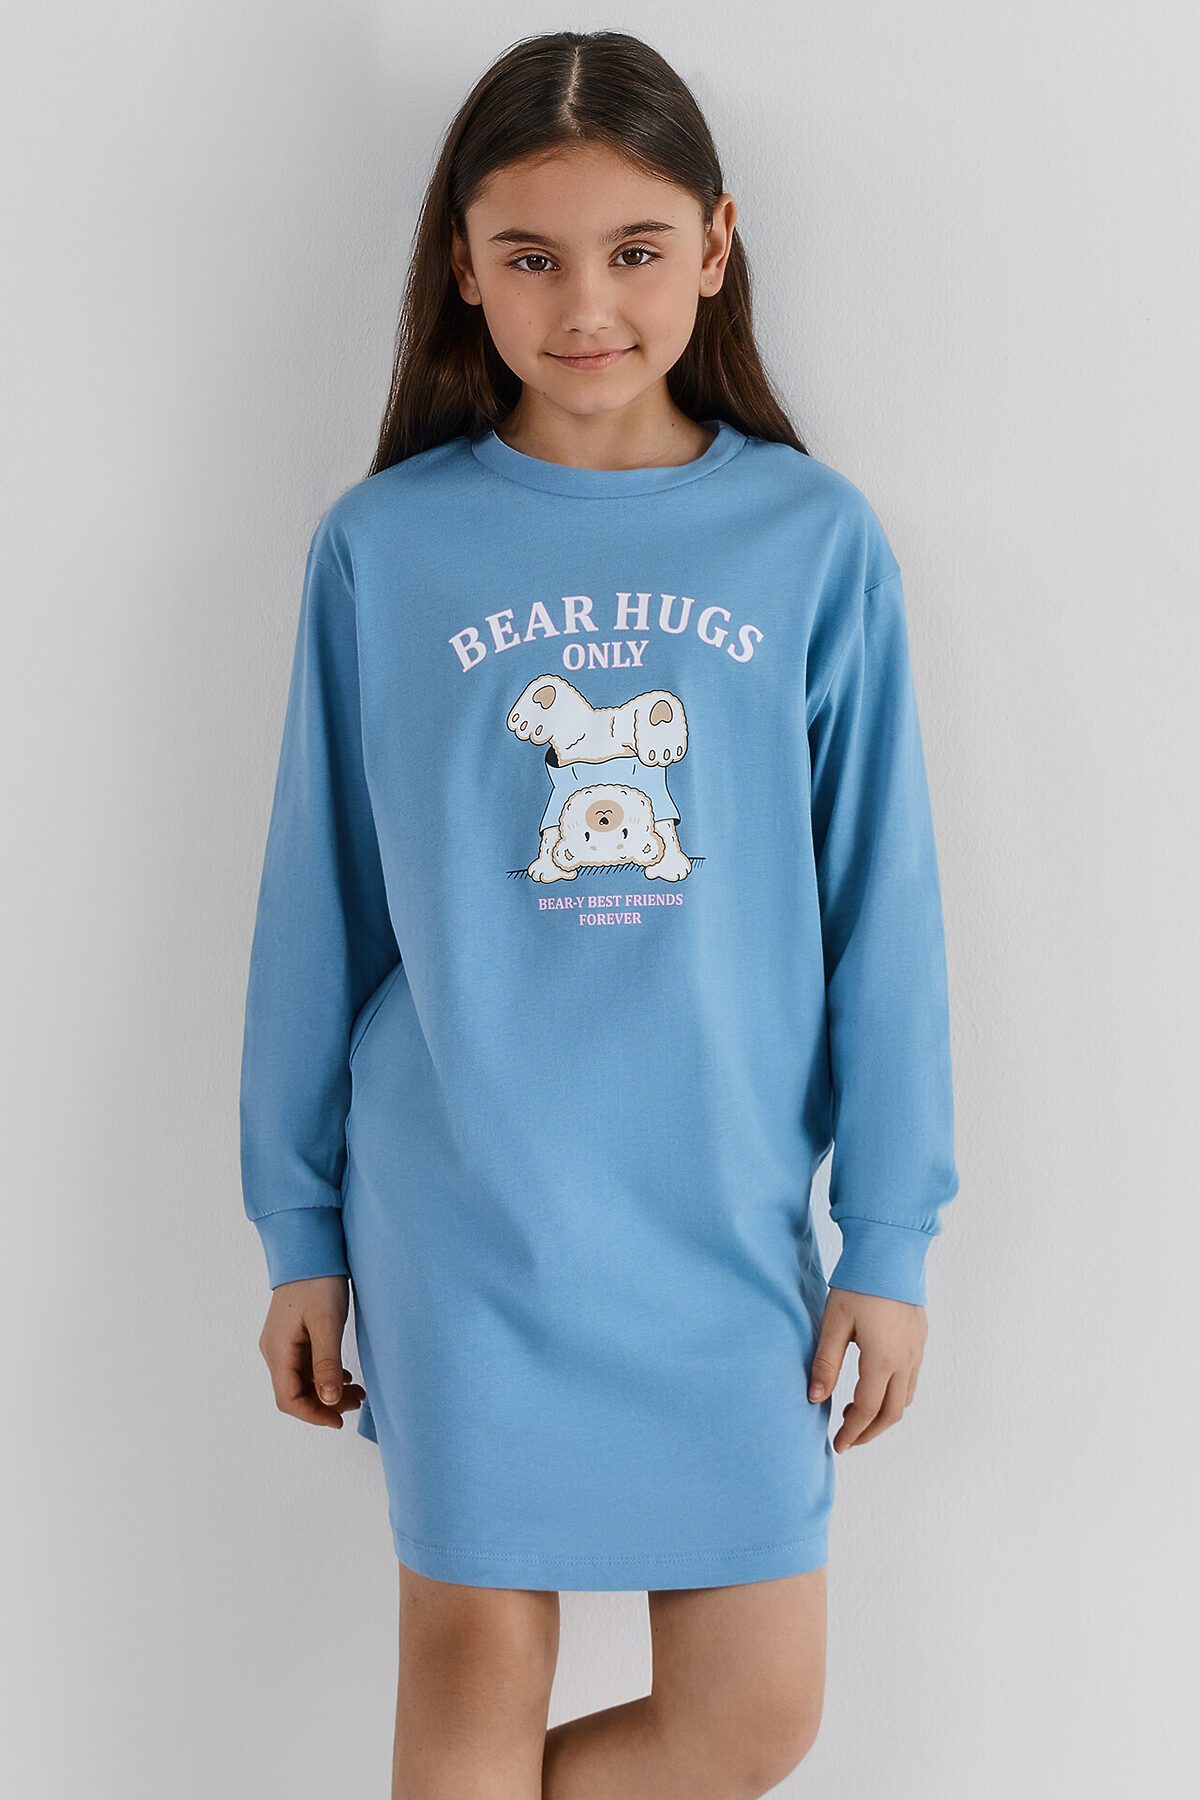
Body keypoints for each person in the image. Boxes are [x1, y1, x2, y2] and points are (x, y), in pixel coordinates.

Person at [238, 28, 960, 1800]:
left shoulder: (808, 538)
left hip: (724, 1228)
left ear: (713, 247)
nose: (586, 305)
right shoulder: (386, 546)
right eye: (531, 256)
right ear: (463, 266)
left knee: (753, 1716)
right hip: (466, 1217)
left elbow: (884, 905)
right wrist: (299, 1227)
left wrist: (888, 1236)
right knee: (474, 1687)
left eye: (634, 251)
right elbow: (318, 905)